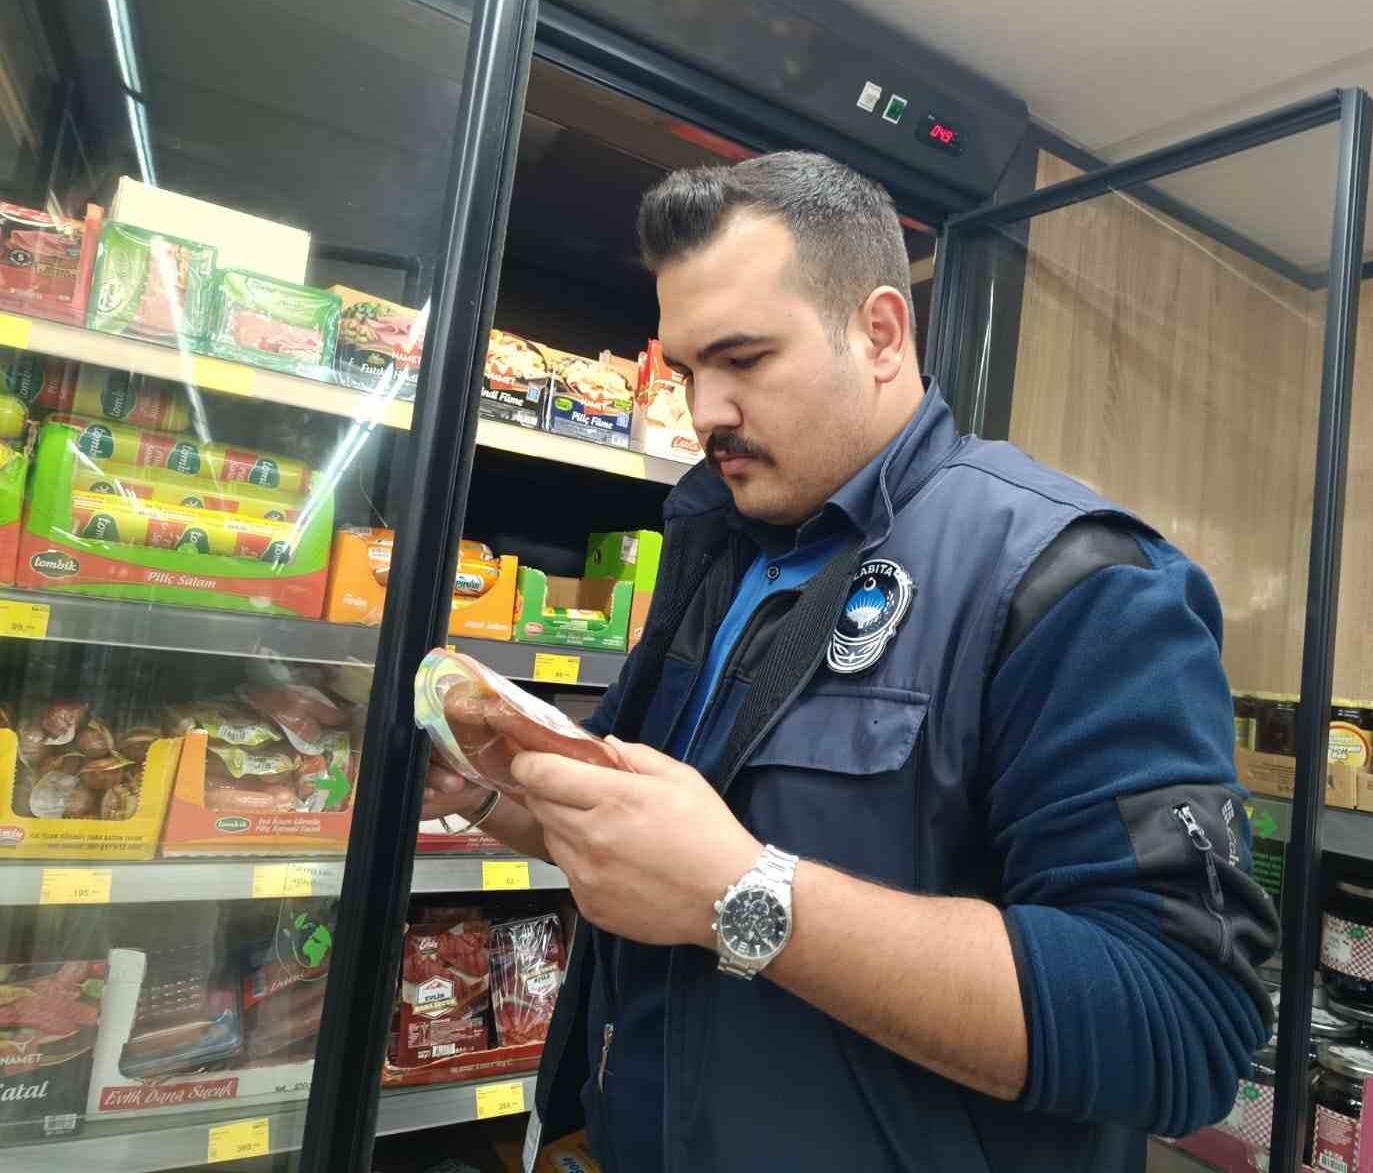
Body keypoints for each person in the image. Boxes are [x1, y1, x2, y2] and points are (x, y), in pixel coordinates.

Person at [423, 151, 1277, 1172]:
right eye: (688, 372)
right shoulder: (722, 545)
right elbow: (641, 846)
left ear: (880, 333)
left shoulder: (1076, 580)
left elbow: (1182, 1024)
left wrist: (742, 894)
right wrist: (489, 783)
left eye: (744, 359)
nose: (704, 412)